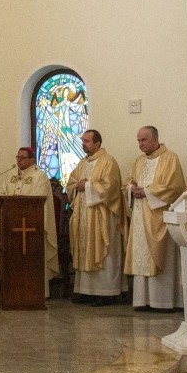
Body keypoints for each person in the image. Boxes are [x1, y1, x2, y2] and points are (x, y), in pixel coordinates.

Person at [123, 126, 185, 312]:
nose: (140, 144)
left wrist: (147, 192)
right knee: (141, 257)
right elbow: (128, 182)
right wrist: (130, 189)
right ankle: (142, 300)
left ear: (155, 139)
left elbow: (175, 187)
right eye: (139, 140)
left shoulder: (170, 158)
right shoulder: (138, 161)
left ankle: (162, 302)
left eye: (144, 140)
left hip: (159, 216)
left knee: (161, 256)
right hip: (140, 215)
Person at [66, 130, 127, 306]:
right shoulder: (82, 163)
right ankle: (86, 291)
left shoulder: (109, 162)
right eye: (83, 141)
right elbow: (71, 183)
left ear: (98, 143)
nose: (83, 144)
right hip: (83, 214)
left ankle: (106, 292)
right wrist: (77, 186)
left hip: (102, 215)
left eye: (87, 141)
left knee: (103, 251)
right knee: (84, 248)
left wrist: (87, 185)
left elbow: (111, 187)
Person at [0, 147, 59, 298]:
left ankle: (36, 292)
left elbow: (39, 200)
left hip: (33, 228)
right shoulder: (10, 176)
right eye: (18, 157)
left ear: (31, 160)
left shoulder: (39, 177)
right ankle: (12, 292)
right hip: (11, 226)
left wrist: (19, 206)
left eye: (23, 157)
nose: (19, 160)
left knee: (32, 259)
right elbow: (1, 194)